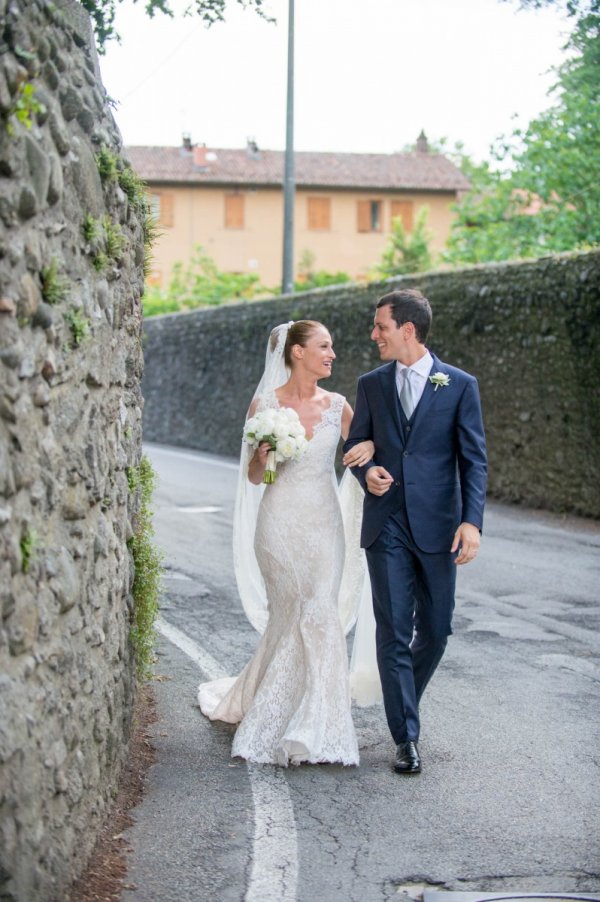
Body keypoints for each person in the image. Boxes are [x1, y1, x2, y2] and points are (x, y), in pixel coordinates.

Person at [197, 320, 374, 766]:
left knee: (319, 611)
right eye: (324, 346)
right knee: (290, 611)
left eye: (332, 346)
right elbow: (257, 478)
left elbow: (361, 455)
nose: (332, 353)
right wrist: (261, 458)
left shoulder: (338, 406)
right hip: (278, 522)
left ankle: (319, 722)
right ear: (297, 352)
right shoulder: (266, 405)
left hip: (323, 523)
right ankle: (276, 706)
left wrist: (369, 450)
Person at [343, 289, 487, 775]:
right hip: (387, 525)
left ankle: (404, 699)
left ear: (408, 329)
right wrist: (368, 474)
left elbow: (474, 461)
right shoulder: (371, 384)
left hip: (439, 526)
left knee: (438, 630)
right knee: (394, 631)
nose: (374, 334)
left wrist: (471, 522)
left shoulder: (460, 385)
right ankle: (406, 736)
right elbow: (355, 445)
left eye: (380, 326)